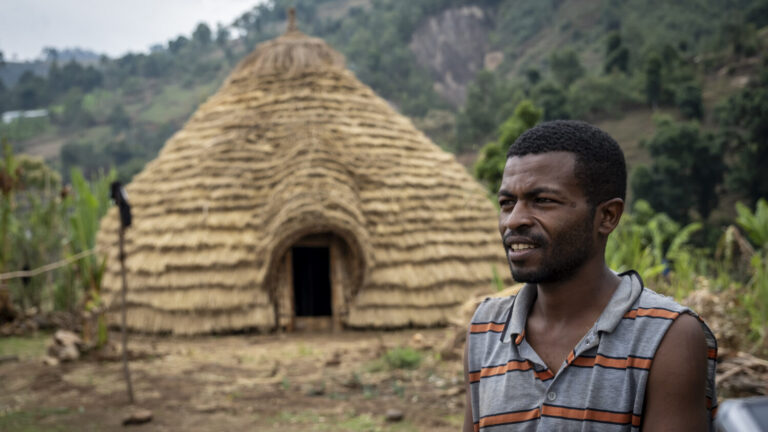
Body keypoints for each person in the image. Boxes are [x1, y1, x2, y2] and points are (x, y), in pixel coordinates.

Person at [463, 120, 717, 432]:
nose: (513, 220)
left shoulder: (666, 338)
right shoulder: (485, 329)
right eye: (506, 203)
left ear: (607, 216)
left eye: (543, 201)